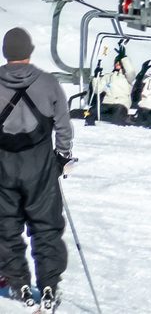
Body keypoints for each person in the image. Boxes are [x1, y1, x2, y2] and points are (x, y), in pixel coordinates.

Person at [0, 28, 70, 307]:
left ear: (6, 52)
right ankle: (49, 284)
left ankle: (18, 283)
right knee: (46, 227)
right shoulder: (48, 82)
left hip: (3, 166)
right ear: (29, 51)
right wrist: (62, 155)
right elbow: (63, 123)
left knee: (6, 227)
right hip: (40, 166)